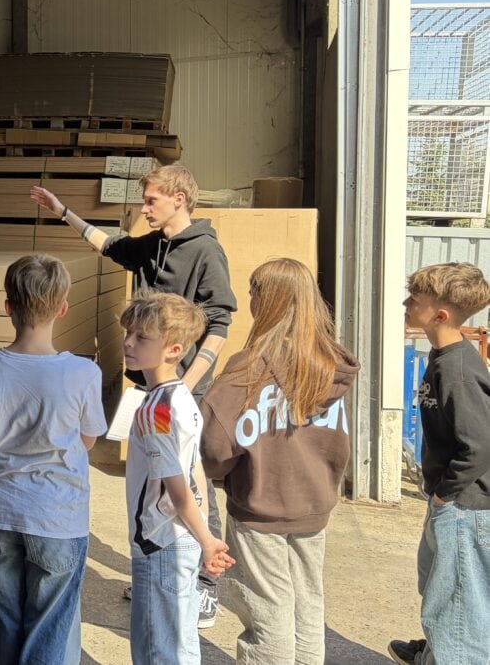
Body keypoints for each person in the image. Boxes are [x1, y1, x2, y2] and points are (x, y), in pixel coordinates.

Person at [32, 162, 237, 626]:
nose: (144, 209)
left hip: (179, 390)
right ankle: (160, 565)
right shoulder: (154, 246)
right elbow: (108, 244)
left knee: (190, 481)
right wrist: (62, 210)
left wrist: (181, 387)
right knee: (152, 480)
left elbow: (220, 324)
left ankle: (206, 583)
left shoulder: (205, 251)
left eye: (151, 201)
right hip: (151, 388)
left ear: (179, 199)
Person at [200, 258, 361, 664]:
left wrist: (219, 475)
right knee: (307, 607)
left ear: (264, 302)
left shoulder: (249, 370)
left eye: (253, 293)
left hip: (261, 509)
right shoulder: (330, 366)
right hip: (314, 506)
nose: (250, 300)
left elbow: (214, 446)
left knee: (267, 614)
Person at [0, 254, 109, 665]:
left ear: (8, 307)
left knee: (8, 619)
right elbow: (88, 439)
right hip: (59, 516)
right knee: (51, 628)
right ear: (62, 308)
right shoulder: (83, 373)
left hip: (3, 512)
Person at [119, 292, 234, 664]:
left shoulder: (157, 410)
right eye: (129, 333)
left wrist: (207, 540)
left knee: (158, 650)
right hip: (180, 538)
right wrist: (205, 536)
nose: (128, 343)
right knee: (181, 645)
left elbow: (177, 485)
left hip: (160, 541)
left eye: (142, 338)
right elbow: (193, 469)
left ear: (173, 349)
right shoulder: (181, 396)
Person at [388, 262, 490, 665]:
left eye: (416, 298)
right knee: (439, 585)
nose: (406, 302)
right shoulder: (442, 357)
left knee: (459, 600)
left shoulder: (460, 370)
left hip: (464, 505)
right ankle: (436, 651)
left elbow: (480, 445)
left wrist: (446, 495)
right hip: (449, 501)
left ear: (440, 315)